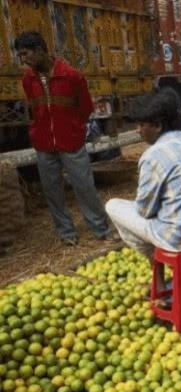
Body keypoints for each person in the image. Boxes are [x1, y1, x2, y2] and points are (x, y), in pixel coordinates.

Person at [14, 31, 116, 246]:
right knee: (52, 192)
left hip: (71, 142)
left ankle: (100, 228)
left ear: (40, 50)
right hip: (44, 145)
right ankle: (67, 234)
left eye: (25, 54)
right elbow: (35, 109)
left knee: (84, 186)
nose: (23, 60)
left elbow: (86, 108)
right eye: (20, 56)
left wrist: (73, 129)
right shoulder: (28, 80)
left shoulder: (72, 76)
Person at [105, 90, 181, 259]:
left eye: (141, 125)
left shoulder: (153, 155)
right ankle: (159, 265)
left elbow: (144, 210)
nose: (138, 130)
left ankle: (154, 263)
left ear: (158, 126)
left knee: (112, 205)